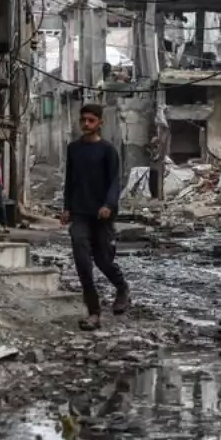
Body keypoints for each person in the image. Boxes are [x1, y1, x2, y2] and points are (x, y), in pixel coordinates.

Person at [61, 103, 129, 330]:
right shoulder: (73, 149)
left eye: (91, 120)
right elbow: (70, 180)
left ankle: (122, 287)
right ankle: (93, 312)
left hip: (102, 215)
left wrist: (109, 204)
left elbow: (115, 182)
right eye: (83, 120)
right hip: (80, 213)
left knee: (103, 260)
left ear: (100, 122)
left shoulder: (108, 151)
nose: (86, 124)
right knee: (82, 263)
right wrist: (67, 208)